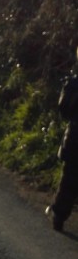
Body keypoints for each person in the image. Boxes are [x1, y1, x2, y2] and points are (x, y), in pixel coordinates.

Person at [46, 46, 78, 231]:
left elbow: (63, 110)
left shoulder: (74, 83)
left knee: (69, 179)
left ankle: (59, 215)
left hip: (75, 137)